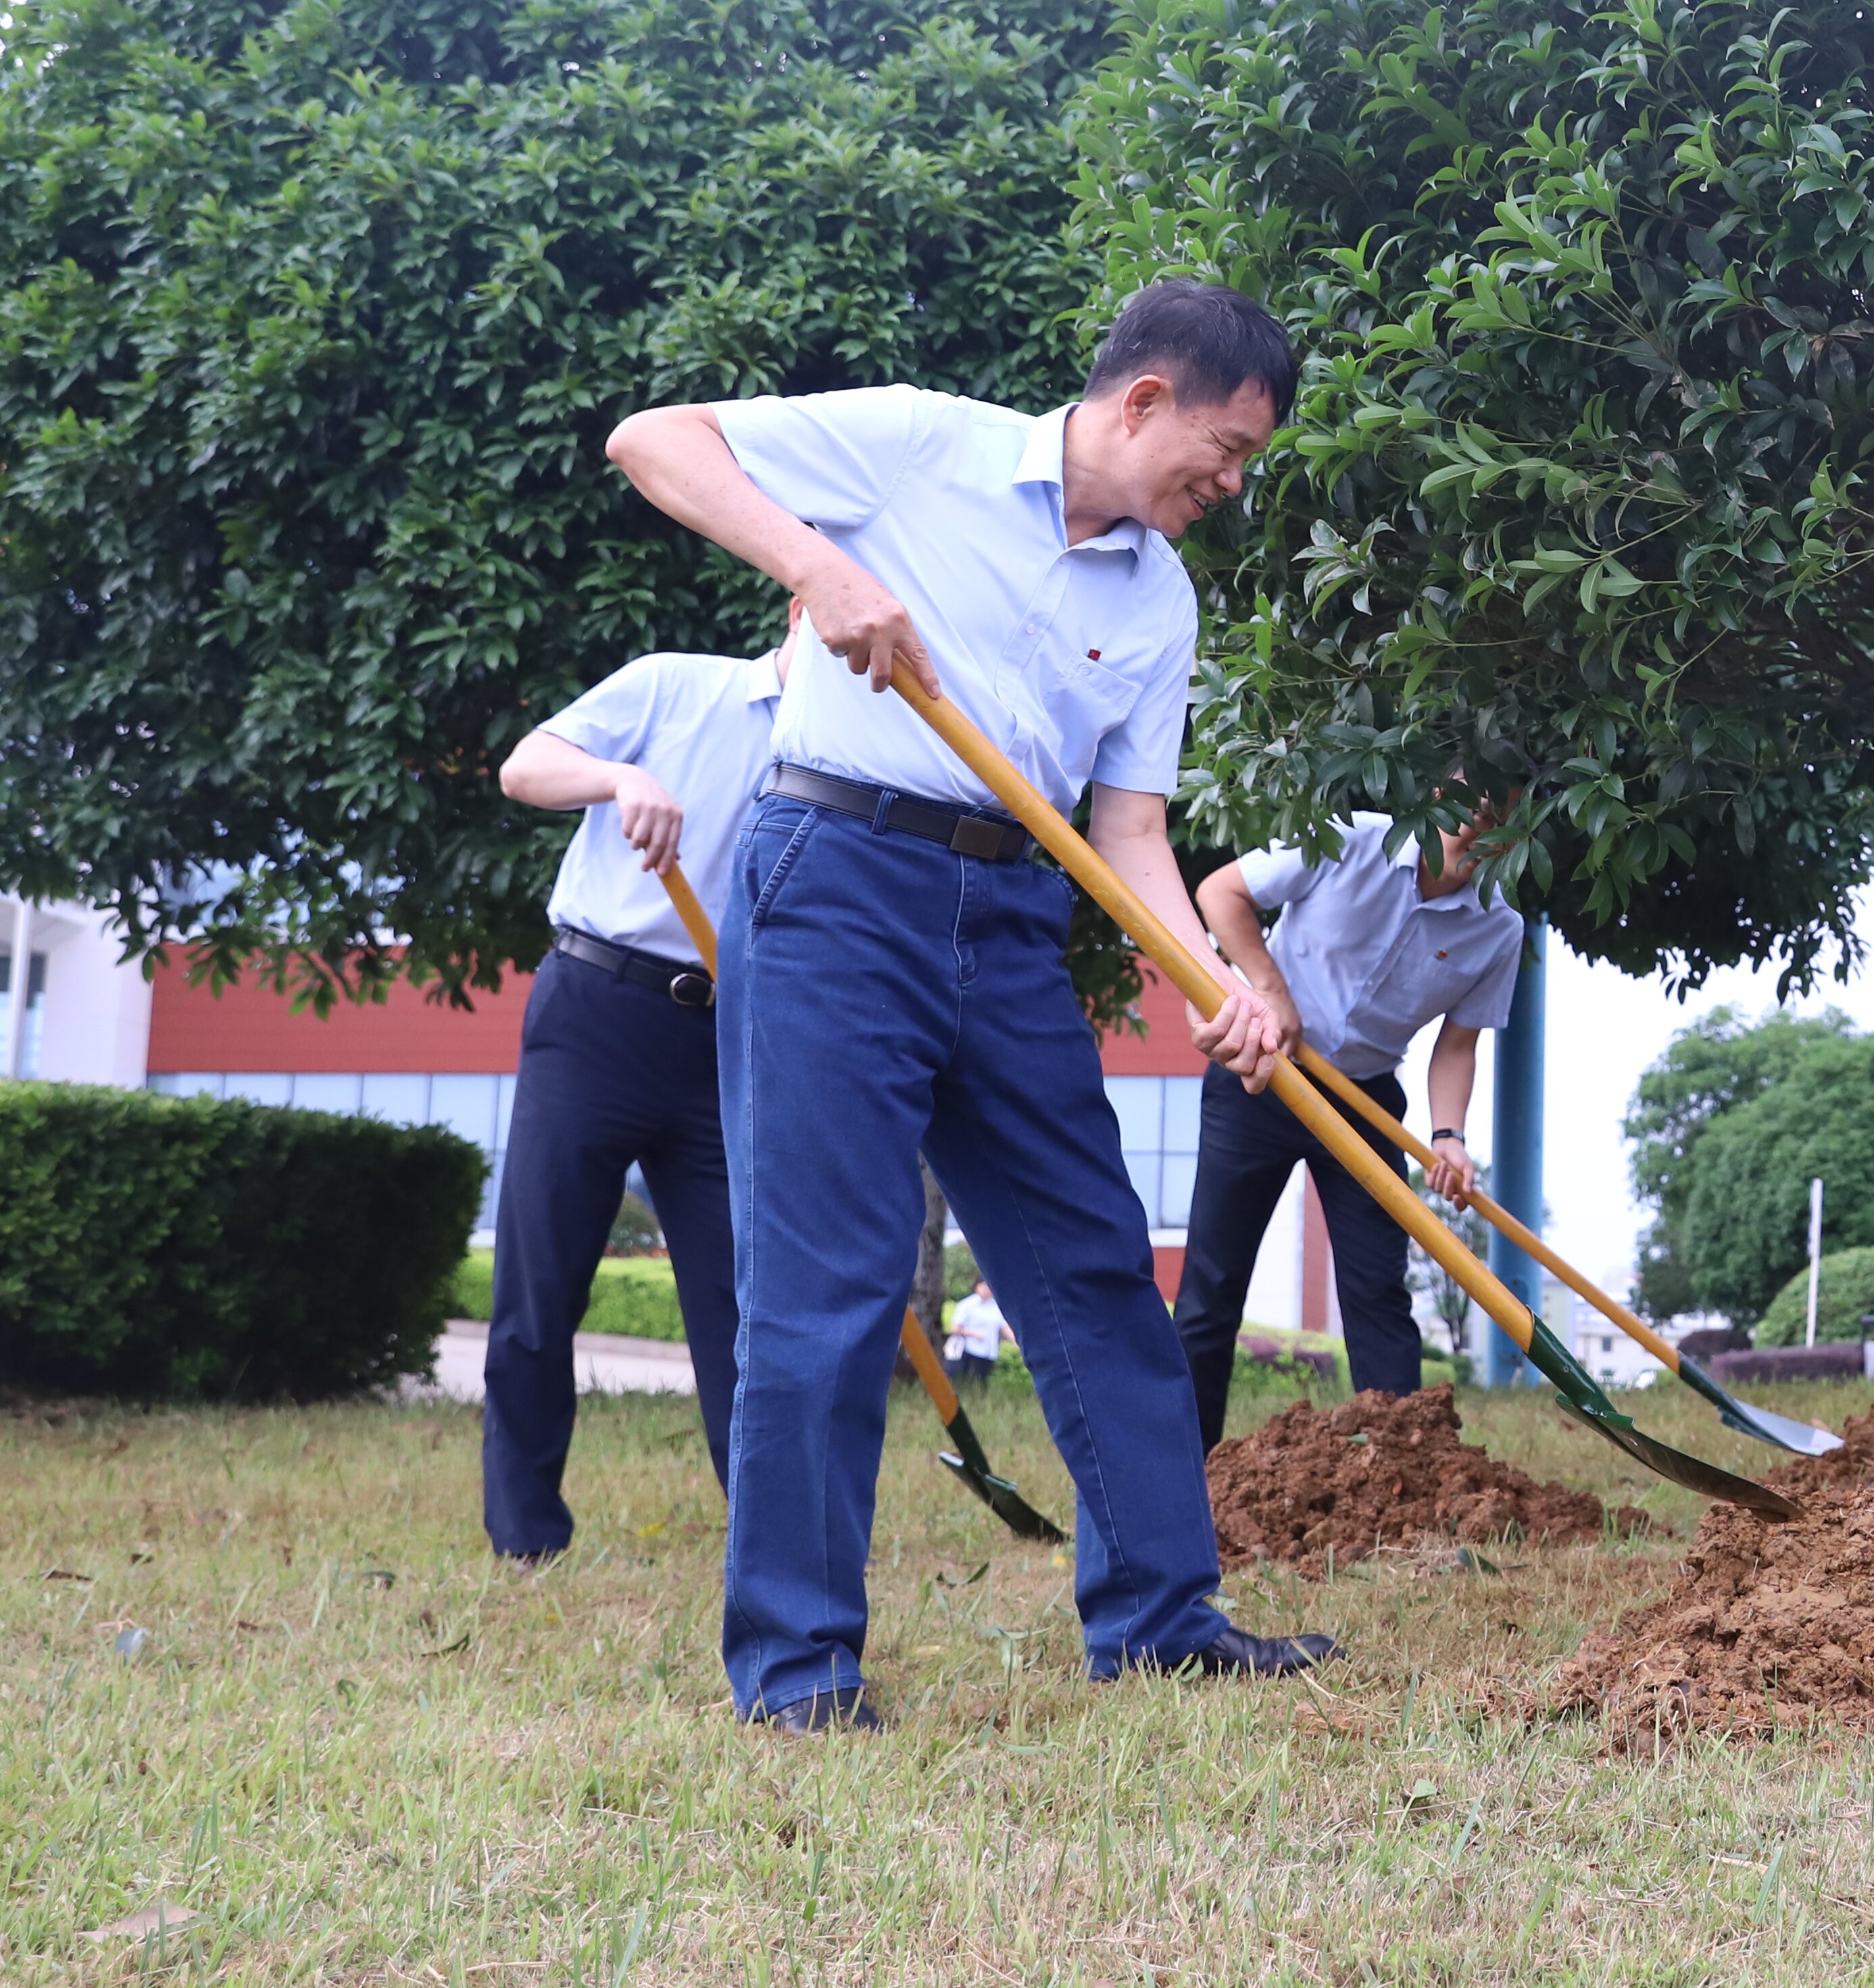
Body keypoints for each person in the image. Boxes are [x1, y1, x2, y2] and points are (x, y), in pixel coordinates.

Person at [605, 278, 1332, 1730]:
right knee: (833, 1286)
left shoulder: (1161, 598)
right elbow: (654, 438)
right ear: (1144, 401)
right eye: (1230, 449)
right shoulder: (918, 444)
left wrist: (1223, 982)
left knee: (1097, 1258)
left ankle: (1161, 1616)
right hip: (837, 876)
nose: (1233, 486)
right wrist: (819, 567)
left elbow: (1129, 837)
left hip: (1013, 915)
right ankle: (800, 1670)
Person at [480, 639, 785, 1563]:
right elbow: (524, 766)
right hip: (597, 1008)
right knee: (540, 1283)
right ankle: (525, 1534)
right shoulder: (676, 685)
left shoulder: (855, 747)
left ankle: (769, 1539)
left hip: (732, 1033)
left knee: (745, 1299)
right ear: (808, 601)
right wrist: (618, 780)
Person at [1174, 804, 1524, 1444]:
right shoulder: (1346, 835)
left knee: (1379, 1295)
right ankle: (1186, 1472)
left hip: (1363, 1106)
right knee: (1211, 1286)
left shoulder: (1499, 928)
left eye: (1500, 830)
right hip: (1263, 1074)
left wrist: (1448, 1136)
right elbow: (1219, 892)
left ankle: (1402, 1469)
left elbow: (1456, 1046)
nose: (1478, 842)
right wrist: (1269, 989)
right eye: (1470, 822)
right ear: (1434, 802)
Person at [941, 1279, 1011, 1394]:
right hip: (970, 1350)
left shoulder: (996, 1306)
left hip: (989, 1351)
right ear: (977, 1287)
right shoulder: (967, 1305)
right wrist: (973, 1334)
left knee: (981, 1383)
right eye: (985, 1286)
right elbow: (956, 1328)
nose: (988, 1289)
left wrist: (1017, 1342)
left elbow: (1004, 1327)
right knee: (967, 1381)